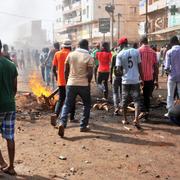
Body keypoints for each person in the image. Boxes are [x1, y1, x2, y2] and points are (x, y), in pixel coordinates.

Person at [57, 39, 93, 137]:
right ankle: (83, 126)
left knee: (67, 104)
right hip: (83, 84)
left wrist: (67, 82)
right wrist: (88, 82)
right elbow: (90, 73)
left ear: (78, 45)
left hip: (71, 83)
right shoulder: (89, 57)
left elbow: (65, 70)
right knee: (86, 105)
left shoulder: (71, 55)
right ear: (86, 46)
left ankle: (62, 123)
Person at [116, 37, 143, 129]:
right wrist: (142, 79)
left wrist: (121, 72)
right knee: (136, 100)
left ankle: (125, 119)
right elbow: (140, 67)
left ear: (121, 45)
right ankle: (136, 119)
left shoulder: (119, 54)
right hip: (135, 80)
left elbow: (118, 70)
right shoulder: (136, 51)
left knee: (125, 100)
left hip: (126, 81)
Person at [0, 40, 18, 175]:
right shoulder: (11, 65)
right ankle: (11, 167)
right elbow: (15, 88)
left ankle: (2, 163)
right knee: (10, 136)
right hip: (10, 105)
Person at [53, 39, 76, 121]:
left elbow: (53, 68)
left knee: (61, 99)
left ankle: (55, 114)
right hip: (71, 81)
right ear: (70, 46)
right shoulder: (72, 54)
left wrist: (57, 77)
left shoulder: (57, 54)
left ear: (62, 46)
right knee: (72, 99)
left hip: (61, 81)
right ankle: (72, 118)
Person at [138, 36, 159, 120]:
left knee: (139, 96)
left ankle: (143, 111)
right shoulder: (153, 52)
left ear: (141, 42)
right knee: (147, 96)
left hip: (140, 78)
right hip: (150, 77)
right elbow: (156, 67)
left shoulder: (138, 51)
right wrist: (156, 80)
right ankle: (146, 115)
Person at [164, 36, 180, 117]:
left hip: (172, 77)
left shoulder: (169, 52)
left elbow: (166, 67)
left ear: (171, 43)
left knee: (170, 94)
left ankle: (170, 112)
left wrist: (169, 73)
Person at [110, 40, 122, 116]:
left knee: (115, 92)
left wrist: (110, 77)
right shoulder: (124, 55)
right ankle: (121, 106)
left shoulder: (114, 56)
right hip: (123, 76)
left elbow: (111, 67)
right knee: (121, 92)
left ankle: (116, 107)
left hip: (115, 76)